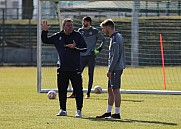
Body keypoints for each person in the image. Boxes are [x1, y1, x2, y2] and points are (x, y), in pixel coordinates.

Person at [41, 19, 87, 117]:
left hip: (75, 68)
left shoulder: (77, 35)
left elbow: (85, 48)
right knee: (62, 90)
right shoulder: (58, 36)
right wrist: (44, 31)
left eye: (71, 25)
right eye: (68, 25)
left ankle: (79, 111)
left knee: (78, 90)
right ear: (63, 27)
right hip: (62, 69)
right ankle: (63, 110)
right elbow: (45, 40)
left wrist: (75, 47)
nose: (70, 27)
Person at [67, 16, 106, 99]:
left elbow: (104, 40)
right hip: (81, 57)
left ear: (89, 22)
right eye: (82, 22)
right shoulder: (80, 31)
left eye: (84, 22)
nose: (83, 23)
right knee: (76, 75)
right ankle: (75, 93)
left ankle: (88, 93)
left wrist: (97, 50)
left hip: (91, 57)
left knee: (90, 75)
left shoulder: (95, 31)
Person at [96, 19, 125, 119]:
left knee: (115, 90)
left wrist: (110, 70)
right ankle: (108, 112)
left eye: (104, 29)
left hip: (115, 69)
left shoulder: (116, 38)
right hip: (114, 68)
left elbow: (115, 56)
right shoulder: (115, 37)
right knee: (110, 90)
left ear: (108, 27)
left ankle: (117, 113)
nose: (103, 31)